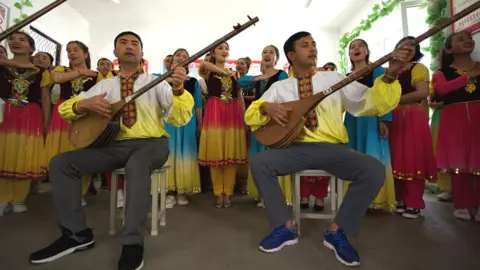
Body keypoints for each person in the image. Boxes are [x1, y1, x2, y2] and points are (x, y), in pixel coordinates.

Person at [244, 31, 413, 267]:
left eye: (314, 44)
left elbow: (369, 101)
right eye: (305, 45)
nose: (312, 48)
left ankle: (337, 231)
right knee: (260, 163)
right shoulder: (280, 87)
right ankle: (285, 227)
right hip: (296, 149)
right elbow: (252, 114)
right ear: (291, 55)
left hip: (333, 148)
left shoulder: (334, 78)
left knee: (373, 169)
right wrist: (266, 108)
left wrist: (392, 73)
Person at [29, 31, 193, 270]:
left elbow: (178, 118)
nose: (129, 46)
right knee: (61, 163)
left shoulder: (156, 82)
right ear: (115, 53)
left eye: (135, 43)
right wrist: (83, 104)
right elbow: (65, 110)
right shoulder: (104, 85)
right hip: (114, 146)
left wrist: (178, 90)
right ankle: (77, 235)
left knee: (137, 163)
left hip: (152, 143)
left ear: (142, 54)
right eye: (123, 43)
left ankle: (132, 242)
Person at [432, 30, 480, 221]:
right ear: (449, 48)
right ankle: (463, 205)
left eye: (470, 38)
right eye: (461, 39)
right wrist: (469, 77)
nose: (468, 40)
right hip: (454, 119)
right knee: (459, 161)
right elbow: (441, 89)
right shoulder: (441, 73)